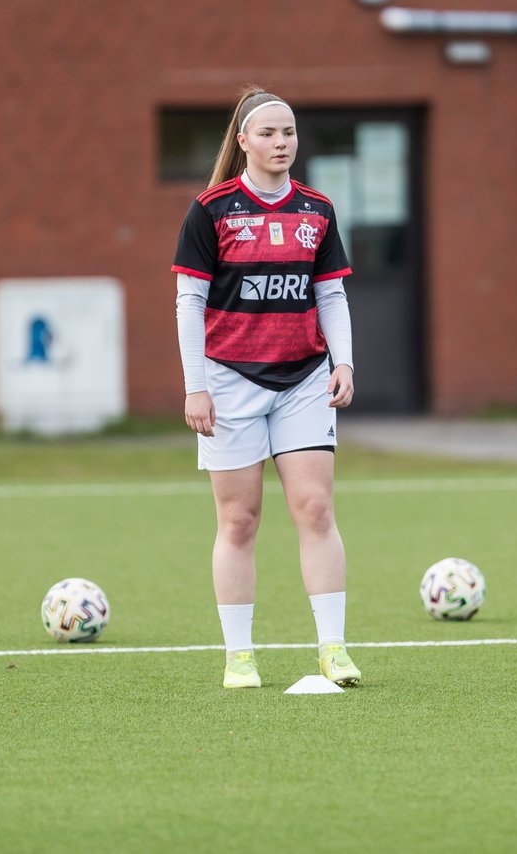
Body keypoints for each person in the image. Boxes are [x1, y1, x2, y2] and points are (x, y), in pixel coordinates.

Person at [172, 87, 361, 689]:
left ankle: (333, 647)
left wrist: (344, 362)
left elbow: (330, 293)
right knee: (240, 521)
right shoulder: (211, 210)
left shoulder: (318, 211)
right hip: (229, 380)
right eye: (270, 134)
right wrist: (195, 386)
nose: (282, 143)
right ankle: (239, 655)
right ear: (244, 142)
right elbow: (188, 302)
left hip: (305, 377)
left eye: (290, 133)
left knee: (315, 508)